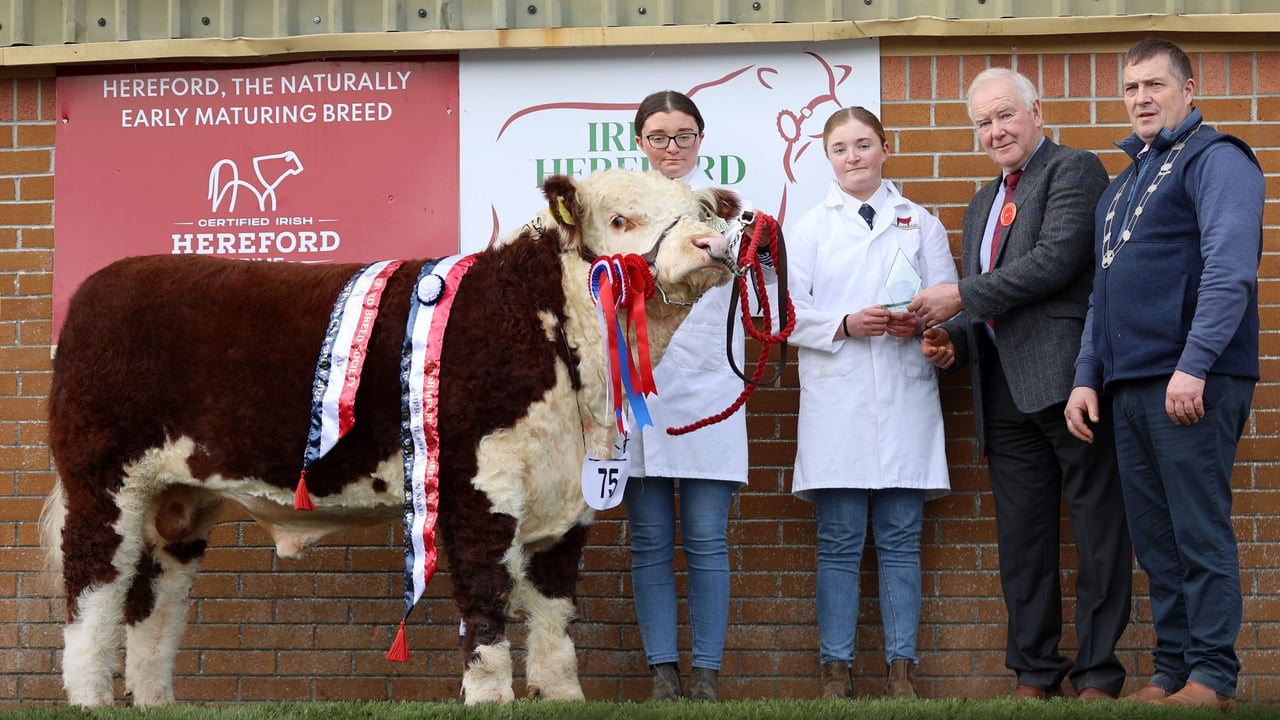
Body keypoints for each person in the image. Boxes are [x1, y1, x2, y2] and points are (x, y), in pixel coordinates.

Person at [908, 68, 1132, 700]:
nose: (996, 130)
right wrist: (957, 338)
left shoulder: (1075, 169)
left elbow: (1058, 262)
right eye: (983, 122)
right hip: (1002, 393)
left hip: (1069, 384)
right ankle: (1035, 675)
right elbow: (993, 307)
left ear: (1036, 110)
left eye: (1005, 115)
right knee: (1023, 543)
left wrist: (960, 296)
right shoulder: (982, 201)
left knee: (1097, 534)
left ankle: (1097, 676)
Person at [1065, 39, 1264, 711]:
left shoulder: (1220, 160)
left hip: (1192, 382)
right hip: (1128, 385)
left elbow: (1229, 271)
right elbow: (1103, 293)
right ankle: (1173, 670)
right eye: (1131, 87)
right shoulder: (1122, 185)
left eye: (1155, 84)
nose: (1141, 97)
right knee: (1156, 538)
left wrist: (1194, 365)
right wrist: (1087, 375)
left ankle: (1212, 675)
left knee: (1198, 531)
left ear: (1188, 87)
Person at [787, 106, 954, 700]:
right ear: (827, 157)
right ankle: (836, 673)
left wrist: (933, 334)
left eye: (863, 145)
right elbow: (787, 316)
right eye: (840, 148)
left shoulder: (921, 223)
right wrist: (845, 324)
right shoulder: (808, 229)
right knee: (837, 541)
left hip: (905, 396)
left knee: (902, 538)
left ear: (886, 148)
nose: (853, 156)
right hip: (839, 402)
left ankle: (900, 672)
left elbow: (948, 304)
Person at [623, 90, 748, 703]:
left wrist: (758, 251)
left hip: (710, 390)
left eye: (683, 135)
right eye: (658, 136)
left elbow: (769, 286)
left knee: (705, 539)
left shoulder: (732, 213)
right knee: (648, 540)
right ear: (639, 142)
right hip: (640, 393)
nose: (671, 147)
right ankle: (662, 675)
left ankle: (706, 676)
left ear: (701, 139)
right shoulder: (619, 212)